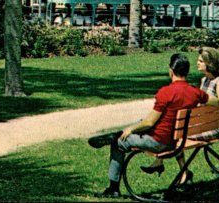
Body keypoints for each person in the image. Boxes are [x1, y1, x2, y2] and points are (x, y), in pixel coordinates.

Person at [89, 54, 211, 198]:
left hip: (158, 142)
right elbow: (217, 101)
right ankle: (118, 134)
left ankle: (113, 188)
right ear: (187, 72)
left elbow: (150, 122)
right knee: (143, 123)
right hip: (175, 141)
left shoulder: (166, 92)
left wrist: (130, 129)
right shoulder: (195, 92)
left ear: (171, 71)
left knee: (119, 143)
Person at [139, 47, 219, 175]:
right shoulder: (205, 80)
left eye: (201, 61)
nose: (197, 63)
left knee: (177, 133)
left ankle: (176, 169)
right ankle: (180, 171)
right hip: (204, 123)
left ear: (210, 63)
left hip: (215, 128)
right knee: (178, 131)